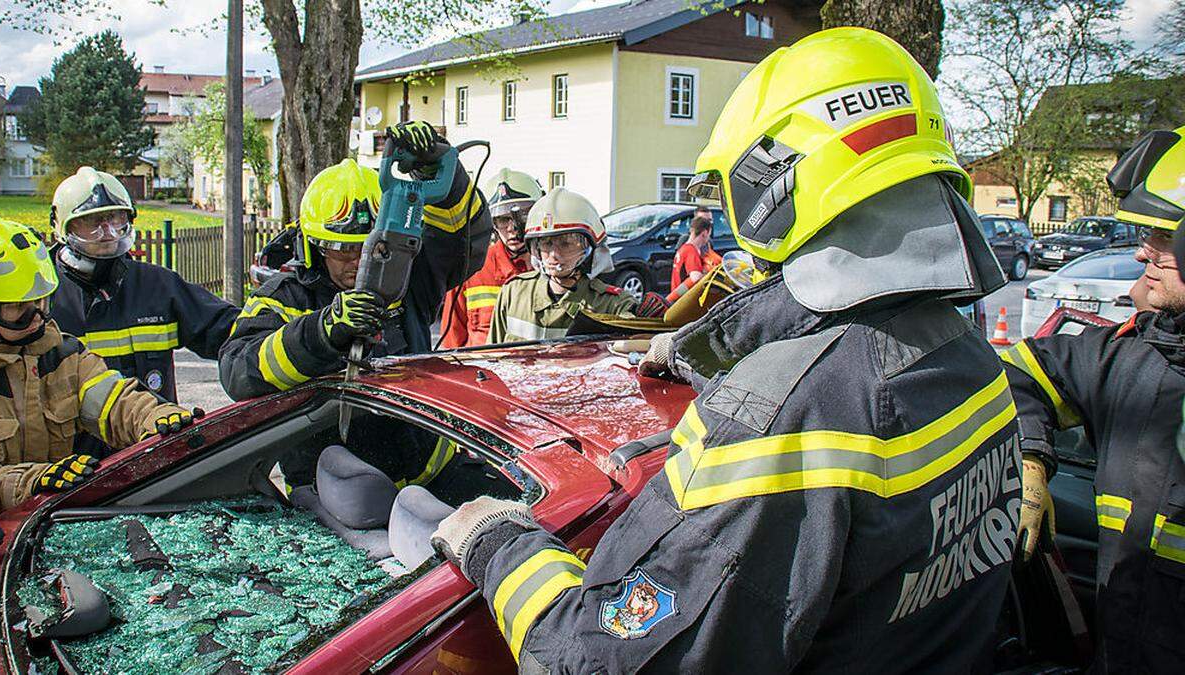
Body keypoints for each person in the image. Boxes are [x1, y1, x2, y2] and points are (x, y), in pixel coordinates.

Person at [431, 28, 1016, 673]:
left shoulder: (777, 419)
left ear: (775, 180)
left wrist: (497, 547)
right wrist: (710, 350)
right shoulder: (971, 360)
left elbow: (603, 658)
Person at [1003, 126, 1185, 673]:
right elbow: (1018, 372)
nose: (1141, 253)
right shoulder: (1132, 355)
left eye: (1165, 239)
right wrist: (1032, 458)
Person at [220, 121, 491, 399]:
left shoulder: (407, 278)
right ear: (314, 246)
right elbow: (238, 373)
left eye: (369, 248)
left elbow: (463, 241)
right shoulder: (285, 298)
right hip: (326, 441)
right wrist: (322, 331)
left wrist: (438, 171)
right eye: (342, 249)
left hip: (413, 435)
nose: (358, 260)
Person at [0, 215, 194, 514]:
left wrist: (158, 417)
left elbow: (113, 400)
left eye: (42, 303)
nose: (36, 318)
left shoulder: (61, 355)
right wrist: (30, 484)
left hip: (48, 530)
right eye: (17, 307)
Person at [47, 167, 239, 403]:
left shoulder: (157, 286)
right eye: (92, 221)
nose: (108, 232)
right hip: (76, 440)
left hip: (156, 436)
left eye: (116, 218)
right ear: (63, 227)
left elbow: (229, 329)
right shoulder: (45, 295)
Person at [487, 188, 637, 343]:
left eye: (566, 244)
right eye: (546, 243)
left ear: (591, 247)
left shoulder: (613, 305)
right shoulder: (514, 293)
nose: (553, 254)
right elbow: (491, 357)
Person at [439, 168, 541, 348]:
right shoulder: (470, 268)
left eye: (520, 217)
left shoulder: (553, 269)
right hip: (482, 373)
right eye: (503, 219)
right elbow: (451, 343)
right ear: (492, 223)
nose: (512, 228)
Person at [667, 215, 722, 303]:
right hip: (681, 301)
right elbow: (695, 277)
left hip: (676, 298)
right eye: (709, 234)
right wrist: (709, 274)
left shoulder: (684, 248)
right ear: (704, 233)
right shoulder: (691, 251)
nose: (708, 238)